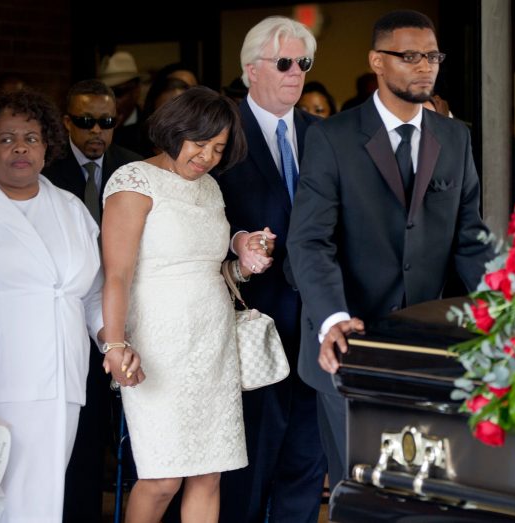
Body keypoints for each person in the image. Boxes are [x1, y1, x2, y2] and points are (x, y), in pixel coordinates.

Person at [287, 9, 493, 490]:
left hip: (428, 347)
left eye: (433, 56)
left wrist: (509, 306)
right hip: (348, 344)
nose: (426, 67)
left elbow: (470, 238)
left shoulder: (455, 137)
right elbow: (309, 241)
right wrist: (332, 317)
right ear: (377, 61)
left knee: (427, 491)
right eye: (411, 56)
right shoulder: (331, 137)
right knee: (361, 491)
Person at [101, 86, 249, 523]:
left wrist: (245, 265)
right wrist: (114, 344)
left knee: (209, 473)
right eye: (199, 143)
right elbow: (116, 273)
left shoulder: (211, 189)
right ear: (175, 131)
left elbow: (211, 268)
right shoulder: (134, 181)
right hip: (159, 343)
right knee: (162, 477)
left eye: (218, 148)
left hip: (214, 342)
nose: (206, 156)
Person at [0, 88, 142, 522]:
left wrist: (112, 344)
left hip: (62, 383)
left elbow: (94, 293)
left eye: (31, 137)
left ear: (47, 146)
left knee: (44, 498)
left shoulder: (70, 207)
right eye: (6, 138)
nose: (20, 147)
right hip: (6, 381)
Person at [216, 16, 327, 523]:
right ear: (250, 69)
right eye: (283, 62)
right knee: (249, 460)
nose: (295, 72)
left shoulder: (322, 134)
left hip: (315, 320)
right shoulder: (220, 134)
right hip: (249, 319)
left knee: (307, 457)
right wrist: (236, 243)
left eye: (302, 63)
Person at [41, 78, 142, 522]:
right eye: (85, 122)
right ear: (66, 123)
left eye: (106, 121)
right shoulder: (48, 170)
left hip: (126, 316)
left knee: (131, 443)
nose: (96, 131)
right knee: (78, 445)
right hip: (65, 318)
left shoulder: (133, 168)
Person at [98, 51, 146, 154]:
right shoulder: (96, 125)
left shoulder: (149, 127)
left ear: (136, 90)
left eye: (118, 93)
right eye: (105, 93)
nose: (111, 100)